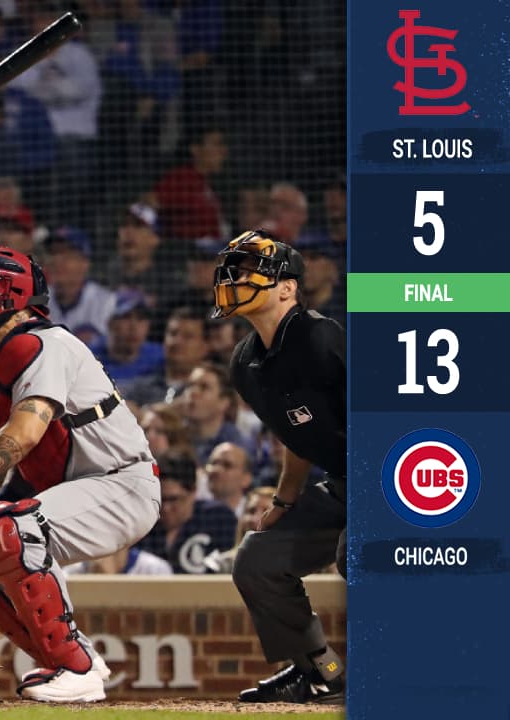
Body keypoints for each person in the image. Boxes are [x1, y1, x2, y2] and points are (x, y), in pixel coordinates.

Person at [0, 245, 160, 703]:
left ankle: (79, 668)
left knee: (7, 528)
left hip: (123, 484)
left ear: (11, 293)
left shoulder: (43, 343)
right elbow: (35, 465)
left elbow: (24, 436)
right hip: (81, 487)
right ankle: (64, 660)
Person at [212, 230, 346, 703]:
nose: (236, 277)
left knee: (358, 555)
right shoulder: (244, 362)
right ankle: (319, 672)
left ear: (288, 287)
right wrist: (284, 501)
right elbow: (297, 437)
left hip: (396, 479)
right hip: (343, 485)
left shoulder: (320, 335)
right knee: (258, 560)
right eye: (234, 268)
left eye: (250, 270)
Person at [136, 449, 237, 574]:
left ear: (193, 492)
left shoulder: (217, 519)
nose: (166, 508)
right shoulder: (144, 528)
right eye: (160, 500)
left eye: (173, 499)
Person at [205, 442, 255, 517]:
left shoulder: (253, 516)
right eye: (213, 463)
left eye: (227, 465)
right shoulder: (193, 512)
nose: (216, 470)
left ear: (246, 479)